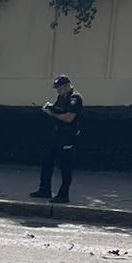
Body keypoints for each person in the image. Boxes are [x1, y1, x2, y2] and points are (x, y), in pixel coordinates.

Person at [32, 75, 83, 203]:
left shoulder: (75, 98)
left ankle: (63, 195)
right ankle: (45, 190)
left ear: (67, 86)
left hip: (68, 137)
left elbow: (69, 117)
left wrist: (52, 113)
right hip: (56, 135)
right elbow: (58, 110)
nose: (58, 91)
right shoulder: (61, 97)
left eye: (59, 88)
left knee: (65, 165)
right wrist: (50, 108)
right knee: (47, 160)